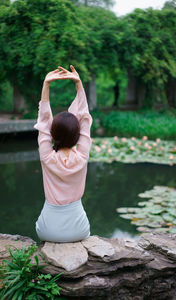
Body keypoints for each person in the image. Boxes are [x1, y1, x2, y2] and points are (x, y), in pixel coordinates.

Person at [33, 65, 92, 243]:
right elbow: (85, 117)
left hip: (47, 231)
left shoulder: (47, 157)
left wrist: (46, 85)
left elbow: (43, 122)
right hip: (79, 230)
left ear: (52, 134)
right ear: (78, 134)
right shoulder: (82, 156)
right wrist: (78, 84)